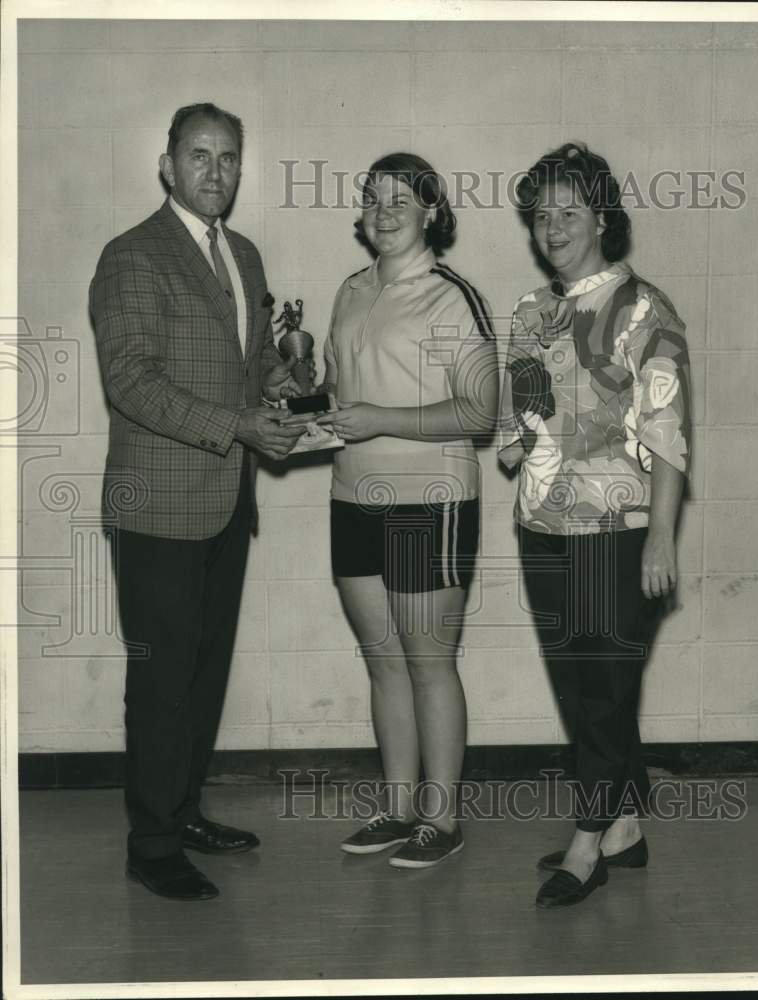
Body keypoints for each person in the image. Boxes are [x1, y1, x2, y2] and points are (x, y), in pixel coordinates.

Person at [90, 103, 307, 901]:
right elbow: (131, 381)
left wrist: (273, 388)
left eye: (228, 158)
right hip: (156, 510)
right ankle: (149, 844)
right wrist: (237, 423)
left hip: (226, 502)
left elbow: (245, 371)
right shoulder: (132, 256)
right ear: (167, 165)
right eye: (199, 155)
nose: (215, 171)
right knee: (160, 680)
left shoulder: (243, 256)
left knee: (203, 677)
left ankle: (182, 811)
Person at [499, 142, 691, 908]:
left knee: (606, 690)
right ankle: (622, 827)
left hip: (619, 528)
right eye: (541, 214)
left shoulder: (645, 310)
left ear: (602, 219)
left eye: (568, 212)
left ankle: (587, 842)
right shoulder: (527, 311)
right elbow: (523, 411)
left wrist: (661, 536)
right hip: (540, 523)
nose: (552, 227)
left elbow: (668, 431)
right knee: (578, 685)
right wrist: (517, 436)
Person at [315, 153, 499, 869]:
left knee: (427, 662)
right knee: (383, 660)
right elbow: (340, 395)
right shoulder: (350, 291)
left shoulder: (450, 296)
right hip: (351, 497)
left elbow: (482, 410)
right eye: (372, 197)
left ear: (430, 212)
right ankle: (395, 810)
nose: (383, 209)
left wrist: (381, 418)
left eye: (401, 198)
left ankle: (441, 818)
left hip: (430, 501)